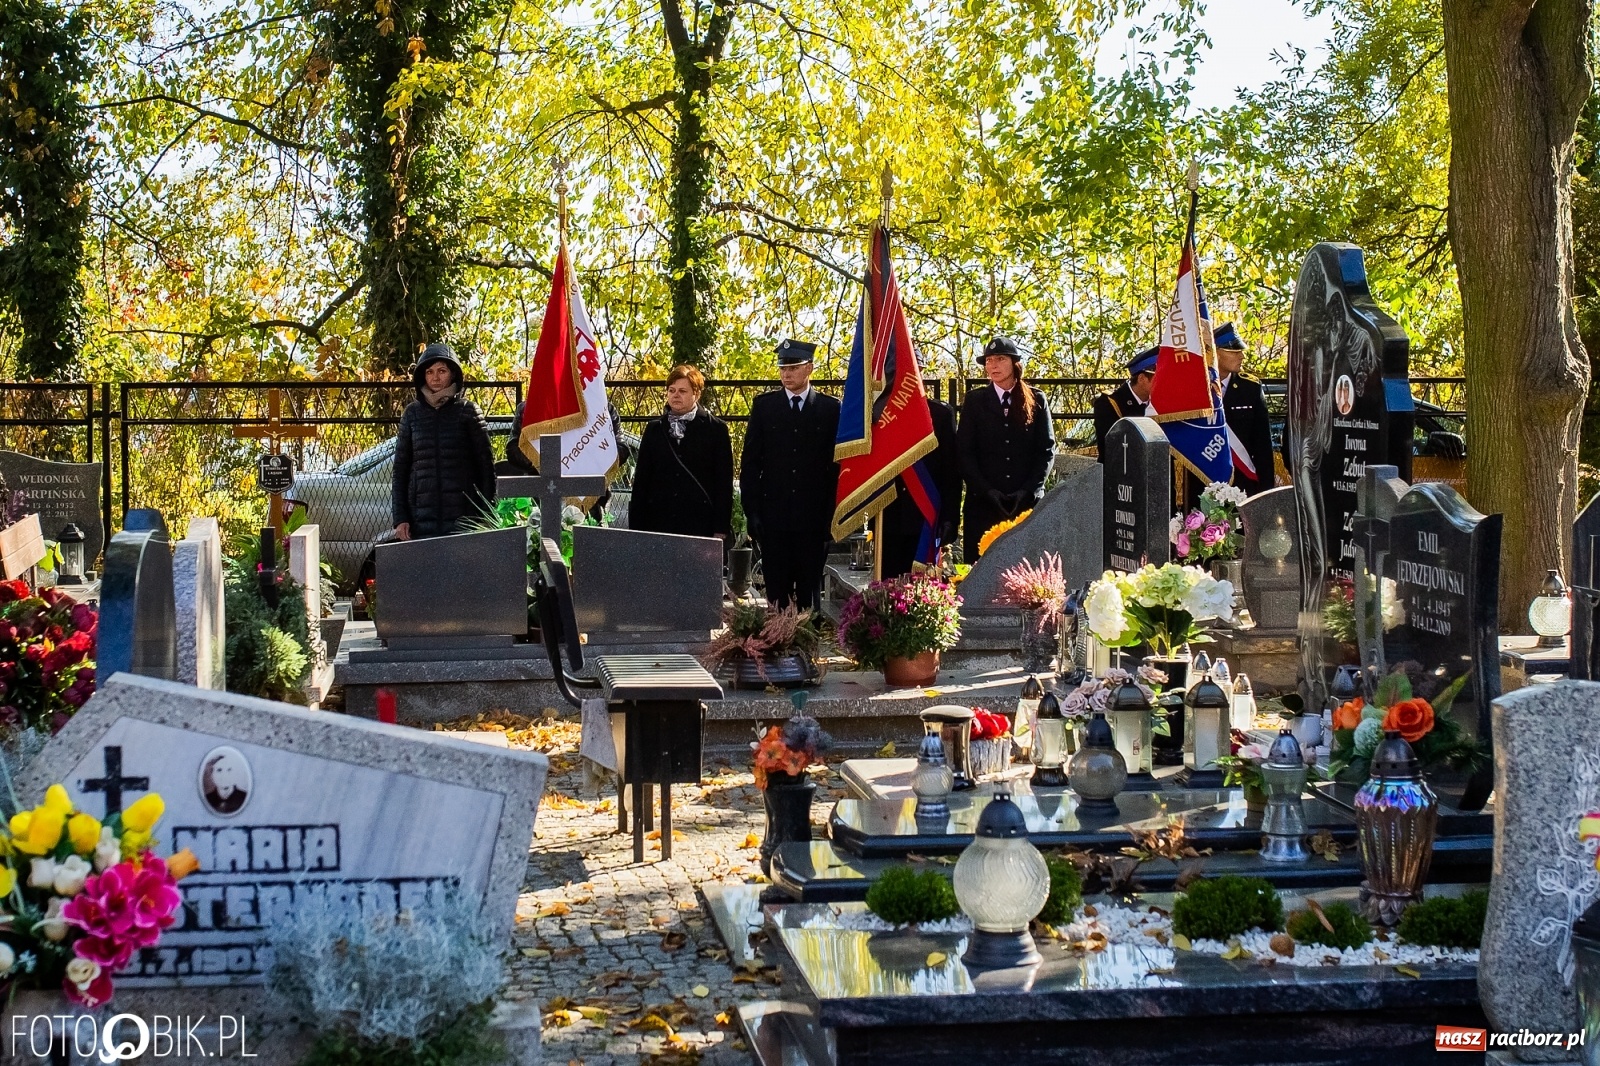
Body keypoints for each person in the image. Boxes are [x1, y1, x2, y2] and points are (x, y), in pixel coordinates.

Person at [741, 338, 840, 610]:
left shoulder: (830, 409)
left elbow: (837, 467)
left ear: (809, 368)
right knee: (777, 592)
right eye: (783, 368)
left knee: (809, 592)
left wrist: (833, 515)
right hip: (774, 519)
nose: (786, 374)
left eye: (794, 368)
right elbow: (750, 464)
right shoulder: (765, 407)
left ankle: (808, 647)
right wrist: (753, 512)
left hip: (814, 518)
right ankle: (778, 647)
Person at [957, 336, 1055, 562]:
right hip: (984, 505)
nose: (992, 365)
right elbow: (965, 453)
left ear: (1015, 363)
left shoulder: (1036, 399)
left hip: (1026, 504)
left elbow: (1046, 450)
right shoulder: (975, 401)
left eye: (1000, 359)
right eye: (988, 360)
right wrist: (987, 491)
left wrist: (1028, 491)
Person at [391, 343, 495, 541]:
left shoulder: (468, 411)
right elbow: (400, 471)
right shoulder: (412, 414)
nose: (435, 377)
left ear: (453, 374)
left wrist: (486, 516)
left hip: (464, 520)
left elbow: (486, 469)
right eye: (430, 372)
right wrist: (400, 518)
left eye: (442, 371)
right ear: (423, 376)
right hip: (421, 520)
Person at [628, 365, 733, 539]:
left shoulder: (716, 429)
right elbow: (641, 481)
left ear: (696, 394)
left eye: (682, 391)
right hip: (658, 523)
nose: (676, 395)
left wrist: (720, 529)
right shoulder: (655, 429)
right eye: (671, 390)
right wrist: (637, 528)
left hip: (699, 524)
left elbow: (723, 483)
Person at [881, 397, 961, 579]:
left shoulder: (940, 413)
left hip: (925, 516)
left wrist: (950, 518)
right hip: (888, 516)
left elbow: (951, 471)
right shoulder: (880, 411)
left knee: (923, 591)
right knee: (887, 590)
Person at [1214, 323, 1276, 495]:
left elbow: (1263, 446)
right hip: (1206, 484)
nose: (1241, 356)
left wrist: (1266, 492)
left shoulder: (1251, 388)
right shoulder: (1196, 390)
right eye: (1234, 352)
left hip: (1244, 485)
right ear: (1215, 353)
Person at [1093, 347, 1157, 463]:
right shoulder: (1109, 403)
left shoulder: (1161, 404)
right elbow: (1111, 450)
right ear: (1142, 378)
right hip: (1122, 474)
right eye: (1158, 377)